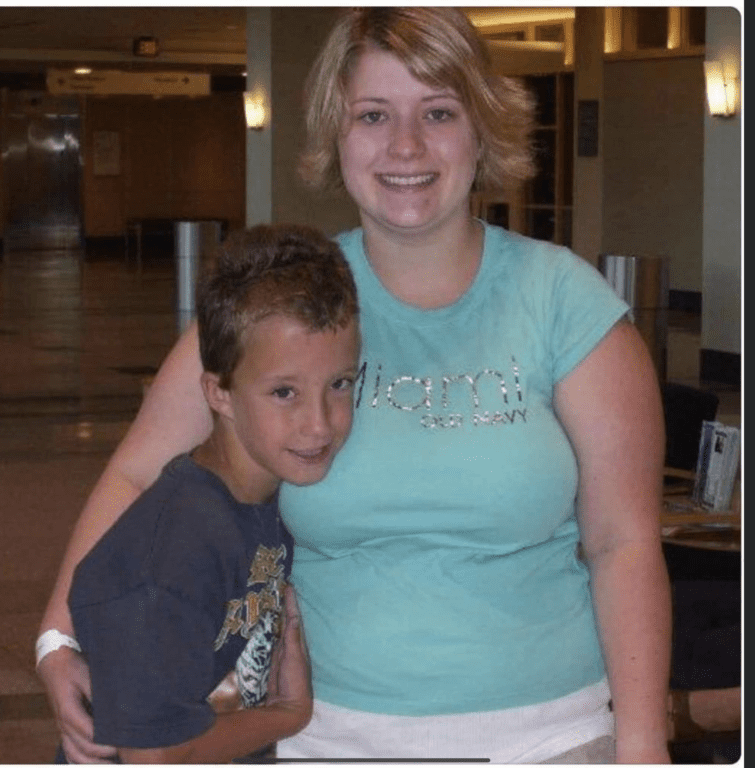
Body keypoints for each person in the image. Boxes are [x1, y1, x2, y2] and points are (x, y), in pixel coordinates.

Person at [37, 8, 672, 764]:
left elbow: (622, 543)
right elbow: (139, 474)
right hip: (329, 736)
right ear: (338, 132)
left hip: (553, 735)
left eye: (439, 113)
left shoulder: (564, 302)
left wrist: (641, 745)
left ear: (483, 130)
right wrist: (57, 636)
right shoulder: (279, 304)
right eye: (374, 115)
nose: (406, 146)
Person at [42, 224, 361, 763]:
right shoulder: (173, 554)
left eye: (340, 384)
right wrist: (286, 716)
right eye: (284, 392)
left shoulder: (250, 501)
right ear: (218, 392)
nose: (319, 425)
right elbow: (154, 757)